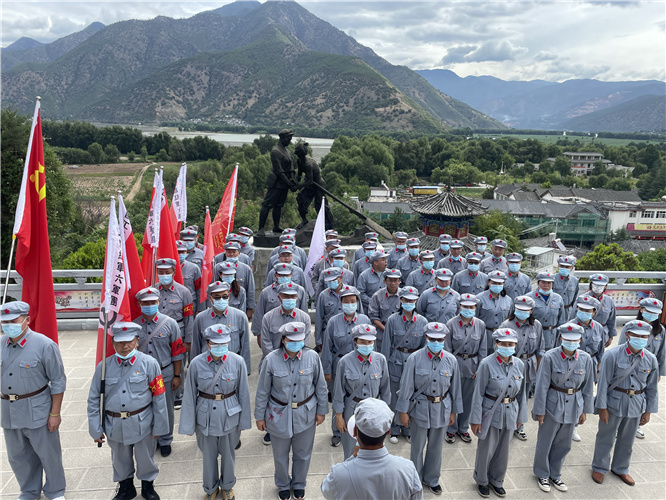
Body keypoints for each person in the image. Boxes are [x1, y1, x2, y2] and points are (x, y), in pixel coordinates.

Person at [87, 322, 169, 500]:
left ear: (137, 341)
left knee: (145, 458)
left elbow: (159, 397)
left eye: (129, 341)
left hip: (142, 422)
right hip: (115, 423)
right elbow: (94, 399)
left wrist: (160, 426)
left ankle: (148, 487)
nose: (125, 346)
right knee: (119, 459)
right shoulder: (104, 367)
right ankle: (126, 487)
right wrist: (95, 428)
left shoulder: (149, 363)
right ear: (113, 343)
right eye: (120, 342)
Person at [255, 322, 328, 500]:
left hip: (306, 411)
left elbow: (320, 386)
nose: (296, 344)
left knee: (303, 454)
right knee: (280, 455)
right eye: (291, 340)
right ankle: (282, 484)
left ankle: (299, 483)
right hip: (278, 413)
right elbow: (262, 390)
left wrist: (322, 411)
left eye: (299, 340)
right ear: (283, 340)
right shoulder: (271, 359)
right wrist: (259, 416)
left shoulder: (312, 357)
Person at [1, 301, 67, 500]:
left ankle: (55, 491)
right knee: (18, 456)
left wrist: (55, 413)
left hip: (37, 408)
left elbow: (58, 381)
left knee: (49, 454)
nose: (8, 325)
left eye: (14, 320)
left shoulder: (44, 345)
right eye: (4, 321)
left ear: (27, 320)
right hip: (9, 411)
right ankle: (29, 490)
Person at [179, 324, 252, 500]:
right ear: (208, 343)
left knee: (228, 455)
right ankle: (210, 489)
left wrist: (244, 422)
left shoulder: (237, 361)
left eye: (224, 343)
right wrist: (188, 425)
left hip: (230, 414)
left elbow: (243, 393)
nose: (220, 347)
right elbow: (189, 395)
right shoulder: (196, 363)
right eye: (216, 343)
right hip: (205, 416)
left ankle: (227, 486)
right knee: (208, 457)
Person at [397, 322, 463, 495]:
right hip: (420, 408)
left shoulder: (451, 360)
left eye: (439, 339)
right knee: (417, 447)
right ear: (426, 338)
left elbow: (455, 389)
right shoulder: (415, 358)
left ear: (444, 339)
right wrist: (403, 412)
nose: (436, 342)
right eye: (432, 339)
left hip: (442, 408)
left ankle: (432, 479)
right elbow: (406, 387)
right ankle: (415, 480)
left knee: (436, 447)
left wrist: (453, 412)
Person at [591, 319, 659, 486]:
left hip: (636, 403)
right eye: (636, 335)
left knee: (627, 439)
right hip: (614, 402)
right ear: (627, 335)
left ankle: (621, 468)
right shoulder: (612, 355)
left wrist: (648, 410)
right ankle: (599, 467)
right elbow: (603, 383)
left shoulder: (650, 359)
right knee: (606, 436)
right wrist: (602, 407)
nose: (641, 339)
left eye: (644, 336)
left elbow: (652, 388)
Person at [532, 323, 594, 493]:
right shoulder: (550, 357)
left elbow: (588, 386)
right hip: (553, 403)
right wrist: (539, 410)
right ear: (561, 338)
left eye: (575, 340)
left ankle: (555, 473)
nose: (571, 343)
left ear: (580, 340)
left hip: (575, 403)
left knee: (564, 443)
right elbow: (542, 386)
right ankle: (542, 473)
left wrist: (585, 411)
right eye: (568, 339)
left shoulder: (585, 358)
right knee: (546, 441)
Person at [321, 398, 423, 500]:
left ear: (355, 431)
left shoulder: (338, 475)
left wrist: (352, 457)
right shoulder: (408, 469)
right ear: (388, 431)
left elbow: (326, 490)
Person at [470, 328, 527, 499]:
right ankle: (482, 480)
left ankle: (497, 480)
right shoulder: (486, 364)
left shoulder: (519, 364)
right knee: (486, 448)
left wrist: (520, 418)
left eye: (511, 344)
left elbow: (522, 393)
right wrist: (475, 419)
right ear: (496, 344)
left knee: (504, 449)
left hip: (510, 411)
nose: (507, 347)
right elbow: (478, 393)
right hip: (490, 411)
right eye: (503, 344)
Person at [133, 287, 186, 457]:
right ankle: (151, 438)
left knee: (166, 408)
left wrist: (177, 376)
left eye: (152, 302)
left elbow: (177, 352)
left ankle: (165, 439)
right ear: (140, 304)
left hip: (165, 373)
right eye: (145, 303)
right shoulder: (134, 325)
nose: (149, 305)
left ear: (158, 302)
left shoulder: (170, 324)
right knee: (145, 406)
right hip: (141, 376)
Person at [322, 287, 371, 447]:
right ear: (341, 303)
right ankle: (337, 432)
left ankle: (361, 429)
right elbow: (327, 347)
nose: (350, 304)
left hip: (360, 365)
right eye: (346, 301)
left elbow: (372, 345)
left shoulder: (364, 320)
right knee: (339, 397)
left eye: (353, 301)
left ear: (357, 302)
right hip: (339, 364)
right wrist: (327, 370)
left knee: (358, 397)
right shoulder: (333, 321)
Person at [332, 325, 390, 459]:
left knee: (374, 449)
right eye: (362, 342)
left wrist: (387, 415)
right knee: (350, 450)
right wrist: (339, 417)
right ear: (355, 341)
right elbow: (339, 392)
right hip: (352, 409)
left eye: (370, 342)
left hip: (375, 410)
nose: (367, 345)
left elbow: (385, 390)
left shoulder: (380, 360)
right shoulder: (344, 362)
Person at [381, 286, 428, 443]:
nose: (409, 303)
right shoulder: (392, 320)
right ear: (401, 300)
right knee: (395, 395)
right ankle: (394, 428)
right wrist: (384, 366)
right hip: (396, 361)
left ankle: (407, 428)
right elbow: (386, 344)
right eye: (406, 300)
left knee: (410, 395)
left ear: (416, 301)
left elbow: (423, 347)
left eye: (412, 300)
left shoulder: (423, 322)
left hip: (413, 363)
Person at [498, 295, 544, 441]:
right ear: (515, 309)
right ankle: (506, 425)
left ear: (531, 311)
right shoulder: (506, 325)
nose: (522, 312)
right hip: (510, 364)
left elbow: (540, 349)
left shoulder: (536, 325)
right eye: (519, 309)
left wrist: (538, 367)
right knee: (509, 395)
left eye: (526, 310)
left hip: (529, 365)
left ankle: (519, 426)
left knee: (523, 397)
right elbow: (498, 348)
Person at [618, 298, 665, 439]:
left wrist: (659, 372)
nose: (651, 315)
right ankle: (618, 424)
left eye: (655, 313)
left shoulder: (660, 330)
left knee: (641, 395)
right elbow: (621, 347)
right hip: (627, 367)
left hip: (648, 370)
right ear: (641, 310)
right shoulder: (630, 326)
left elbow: (662, 353)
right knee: (623, 394)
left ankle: (636, 424)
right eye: (649, 311)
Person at [444, 293, 487, 444]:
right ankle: (451, 428)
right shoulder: (451, 324)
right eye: (465, 306)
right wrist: (449, 369)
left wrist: (480, 367)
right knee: (453, 397)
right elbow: (447, 349)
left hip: (472, 366)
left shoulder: (480, 325)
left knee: (468, 399)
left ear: (475, 308)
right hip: (455, 365)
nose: (468, 309)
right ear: (459, 307)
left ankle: (463, 428)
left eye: (471, 307)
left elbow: (483, 348)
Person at [190, 281, 251, 373]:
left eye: (224, 297)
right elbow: (196, 346)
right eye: (217, 297)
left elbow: (245, 345)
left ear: (228, 297)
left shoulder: (240, 316)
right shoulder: (200, 318)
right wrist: (194, 369)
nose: (221, 300)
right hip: (207, 367)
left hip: (232, 366)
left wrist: (245, 370)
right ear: (210, 298)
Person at [253, 264, 308, 340]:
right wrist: (259, 334)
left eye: (287, 275)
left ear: (291, 275)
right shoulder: (266, 292)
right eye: (281, 275)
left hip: (295, 333)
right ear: (275, 276)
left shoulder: (300, 290)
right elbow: (259, 314)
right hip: (273, 332)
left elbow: (304, 312)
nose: (284, 277)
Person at [258, 129, 297, 235]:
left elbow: (291, 167)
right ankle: (261, 228)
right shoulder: (275, 151)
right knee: (267, 204)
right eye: (288, 139)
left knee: (279, 205)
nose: (290, 141)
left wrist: (293, 179)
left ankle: (276, 226)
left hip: (284, 183)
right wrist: (290, 184)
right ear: (282, 138)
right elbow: (279, 171)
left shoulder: (287, 151)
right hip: (276, 183)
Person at [294, 141, 334, 229]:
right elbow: (300, 175)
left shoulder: (308, 164)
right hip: (310, 184)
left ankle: (329, 225)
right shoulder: (299, 161)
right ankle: (304, 220)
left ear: (299, 153)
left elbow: (310, 181)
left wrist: (298, 186)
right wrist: (295, 182)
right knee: (300, 198)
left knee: (320, 205)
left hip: (318, 184)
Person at [212, 244, 256, 319]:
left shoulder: (246, 269)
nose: (231, 254)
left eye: (234, 252)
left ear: (239, 253)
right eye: (229, 252)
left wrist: (250, 308)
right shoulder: (217, 267)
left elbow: (250, 289)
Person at [477, 271, 513, 356]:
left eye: (500, 283)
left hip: (502, 337)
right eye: (494, 283)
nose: (497, 285)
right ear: (488, 282)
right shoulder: (479, 298)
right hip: (484, 335)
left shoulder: (508, 300)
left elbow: (509, 318)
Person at [529, 272, 566, 351]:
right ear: (538, 283)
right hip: (534, 334)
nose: (546, 285)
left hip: (551, 336)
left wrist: (559, 337)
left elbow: (561, 320)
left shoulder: (558, 298)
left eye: (549, 283)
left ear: (552, 284)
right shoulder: (529, 297)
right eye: (543, 282)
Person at [367, 268, 402, 349]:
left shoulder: (404, 296)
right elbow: (373, 317)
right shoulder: (377, 296)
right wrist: (386, 330)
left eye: (395, 280)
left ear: (399, 281)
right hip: (381, 333)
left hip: (399, 333)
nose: (393, 283)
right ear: (385, 281)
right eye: (390, 280)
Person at [581, 274, 617, 348]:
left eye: (601, 285)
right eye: (595, 284)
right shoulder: (582, 299)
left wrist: (611, 337)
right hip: (586, 332)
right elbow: (573, 317)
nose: (598, 287)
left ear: (605, 286)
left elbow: (612, 320)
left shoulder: (609, 300)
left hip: (602, 333)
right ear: (591, 284)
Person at [315, 268, 346, 350]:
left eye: (334, 279)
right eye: (329, 281)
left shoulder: (351, 292)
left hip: (347, 333)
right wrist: (318, 340)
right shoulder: (323, 295)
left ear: (340, 278)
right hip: (329, 333)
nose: (331, 282)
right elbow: (319, 318)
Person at [176, 239, 202, 314]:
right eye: (178, 252)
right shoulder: (168, 269)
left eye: (183, 252)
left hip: (190, 304)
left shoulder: (194, 268)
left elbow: (199, 289)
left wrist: (200, 309)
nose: (181, 254)